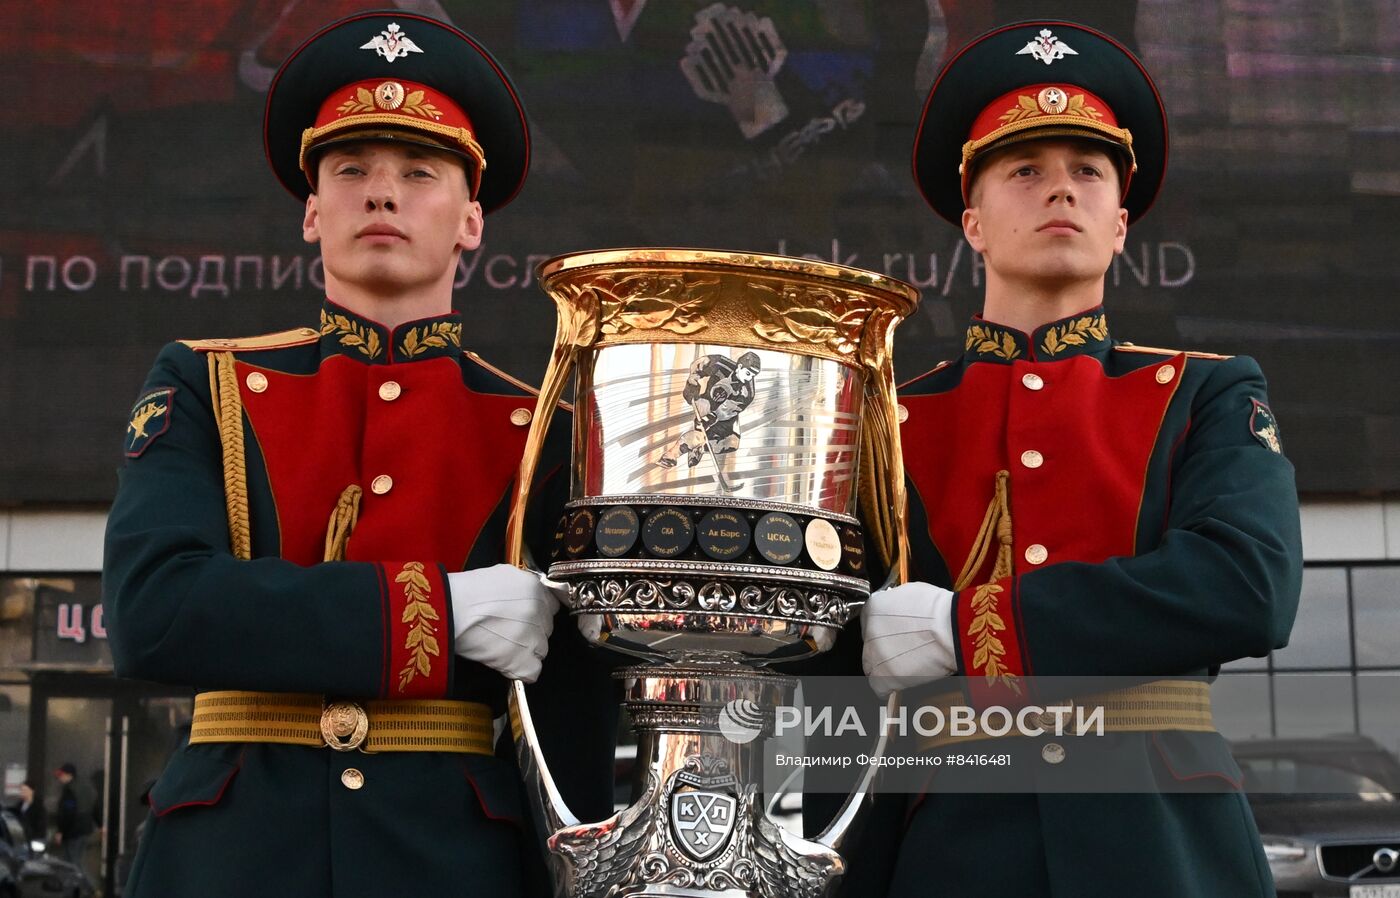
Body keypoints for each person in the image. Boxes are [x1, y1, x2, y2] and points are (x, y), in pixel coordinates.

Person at [102, 11, 613, 897]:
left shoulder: (545, 429)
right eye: (351, 172)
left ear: (471, 220)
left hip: (456, 862)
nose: (383, 195)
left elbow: (570, 714)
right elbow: (154, 611)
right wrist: (439, 612)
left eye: (420, 173)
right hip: (228, 856)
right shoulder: (201, 382)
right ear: (311, 212)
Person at [859, 19, 1303, 897]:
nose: (1060, 190)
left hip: (1162, 838)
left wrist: (969, 629)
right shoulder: (889, 417)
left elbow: (1248, 585)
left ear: (1122, 223)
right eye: (1025, 170)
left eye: (1088, 173)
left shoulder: (1203, 393)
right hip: (949, 838)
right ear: (973, 221)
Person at [52, 764, 92, 870]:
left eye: (62, 775)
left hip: (73, 832)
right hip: (84, 830)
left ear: (69, 775)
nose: (60, 778)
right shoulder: (84, 788)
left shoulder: (69, 790)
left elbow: (68, 812)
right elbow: (93, 805)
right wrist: (100, 823)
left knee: (72, 864)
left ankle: (79, 885)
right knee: (76, 861)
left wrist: (61, 831)